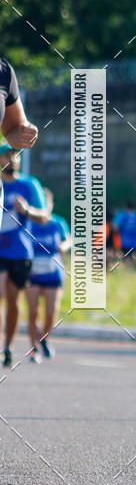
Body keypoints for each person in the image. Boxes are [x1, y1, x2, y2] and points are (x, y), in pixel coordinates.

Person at [0, 58, 41, 368]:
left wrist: (20, 134)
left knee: (11, 301)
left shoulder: (3, 72)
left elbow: (13, 128)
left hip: (17, 248)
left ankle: (7, 347)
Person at [0, 145, 49, 366]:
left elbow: (44, 217)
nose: (13, 159)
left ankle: (8, 347)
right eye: (8, 154)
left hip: (20, 253)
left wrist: (27, 210)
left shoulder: (29, 185)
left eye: (16, 155)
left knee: (13, 300)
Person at [25, 188, 71, 363]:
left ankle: (44, 338)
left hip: (53, 272)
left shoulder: (58, 223)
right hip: (33, 273)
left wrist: (64, 246)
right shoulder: (29, 223)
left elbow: (68, 239)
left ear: (50, 205)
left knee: (51, 313)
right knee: (33, 312)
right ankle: (34, 349)